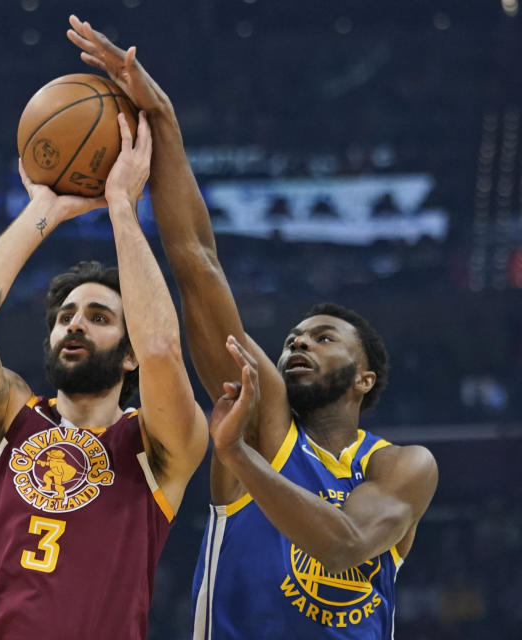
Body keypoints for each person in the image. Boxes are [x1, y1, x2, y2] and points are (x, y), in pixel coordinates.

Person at [67, 16, 439, 638]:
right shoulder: (261, 417)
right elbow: (197, 263)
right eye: (294, 336)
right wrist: (161, 116)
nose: (298, 343)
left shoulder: (401, 467)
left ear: (364, 379)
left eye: (324, 338)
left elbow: (345, 546)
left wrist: (235, 453)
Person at [0, 112, 209, 638]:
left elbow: (160, 347)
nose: (75, 324)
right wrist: (44, 211)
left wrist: (123, 209)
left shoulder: (157, 445)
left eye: (99, 318)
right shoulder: (9, 418)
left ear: (127, 357)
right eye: (65, 316)